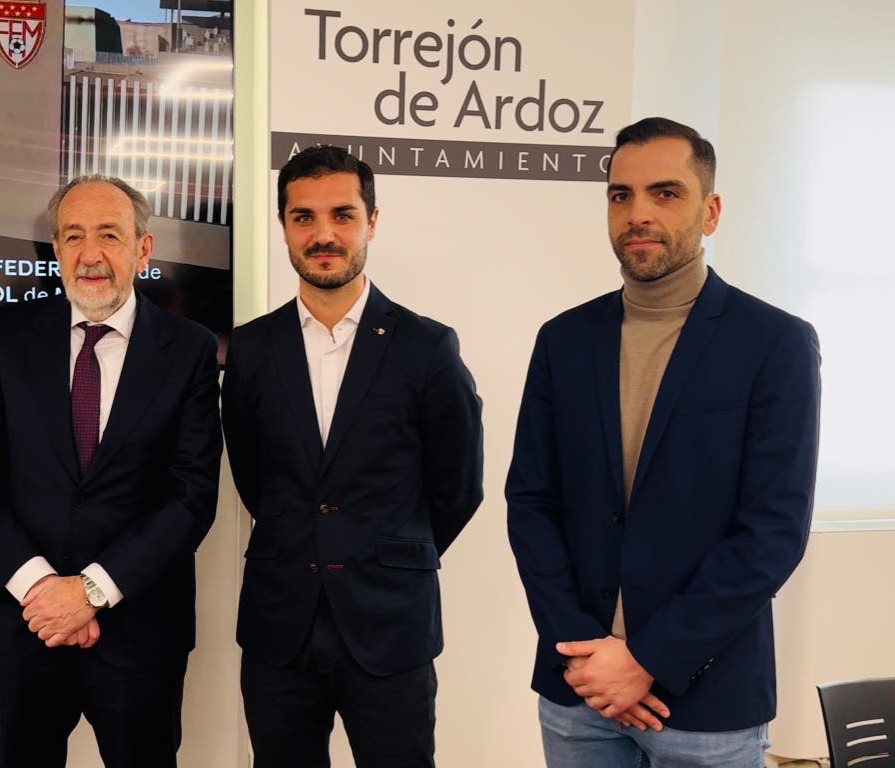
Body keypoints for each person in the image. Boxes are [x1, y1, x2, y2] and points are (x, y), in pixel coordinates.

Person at [506, 117, 821, 767]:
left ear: (711, 211)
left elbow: (772, 532)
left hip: (706, 701)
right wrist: (584, 654)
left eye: (666, 193)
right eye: (620, 195)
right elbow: (531, 503)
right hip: (578, 692)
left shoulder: (774, 343)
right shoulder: (563, 340)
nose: (638, 213)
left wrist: (647, 660)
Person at [0, 175, 222, 768]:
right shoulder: (8, 335)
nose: (90, 254)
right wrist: (40, 588)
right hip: (21, 625)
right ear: (57, 248)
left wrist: (91, 590)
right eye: (73, 236)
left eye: (109, 235)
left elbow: (191, 495)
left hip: (139, 631)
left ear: (143, 248)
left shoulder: (190, 348)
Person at [221, 145, 484, 768]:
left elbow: (458, 486)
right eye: (304, 217)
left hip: (390, 621)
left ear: (372, 221)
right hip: (280, 624)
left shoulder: (427, 346)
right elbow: (253, 477)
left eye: (343, 215)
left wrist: (390, 551)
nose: (324, 235)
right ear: (283, 226)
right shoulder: (252, 349)